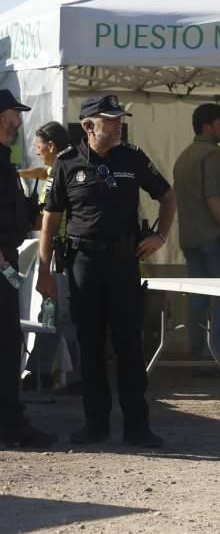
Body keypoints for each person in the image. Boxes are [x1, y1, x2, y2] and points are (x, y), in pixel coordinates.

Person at [38, 94, 176, 448]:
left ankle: (137, 427)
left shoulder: (132, 158)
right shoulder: (67, 164)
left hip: (123, 261)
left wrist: (160, 236)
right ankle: (96, 425)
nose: (117, 125)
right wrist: (44, 269)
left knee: (129, 344)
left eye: (119, 120)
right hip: (84, 263)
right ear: (88, 126)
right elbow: (50, 219)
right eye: (109, 120)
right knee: (90, 346)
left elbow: (167, 195)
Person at [0, 90, 55, 448]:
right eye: (15, 114)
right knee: (5, 344)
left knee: (7, 343)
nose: (20, 121)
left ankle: (9, 418)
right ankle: (9, 423)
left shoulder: (6, 163)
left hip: (6, 258)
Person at [172, 103, 220, 362]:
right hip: (211, 236)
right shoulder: (212, 154)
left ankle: (197, 349)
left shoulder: (184, 155)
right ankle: (212, 350)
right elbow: (213, 196)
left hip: (189, 237)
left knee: (197, 296)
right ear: (208, 126)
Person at [25, 122, 82, 392]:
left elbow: (45, 218)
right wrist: (20, 173)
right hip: (73, 255)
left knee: (51, 313)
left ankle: (40, 372)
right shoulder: (73, 165)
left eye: (38, 147)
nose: (37, 153)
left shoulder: (57, 174)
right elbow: (40, 171)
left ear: (51, 146)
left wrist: (16, 219)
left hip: (59, 256)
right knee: (68, 317)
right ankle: (78, 376)